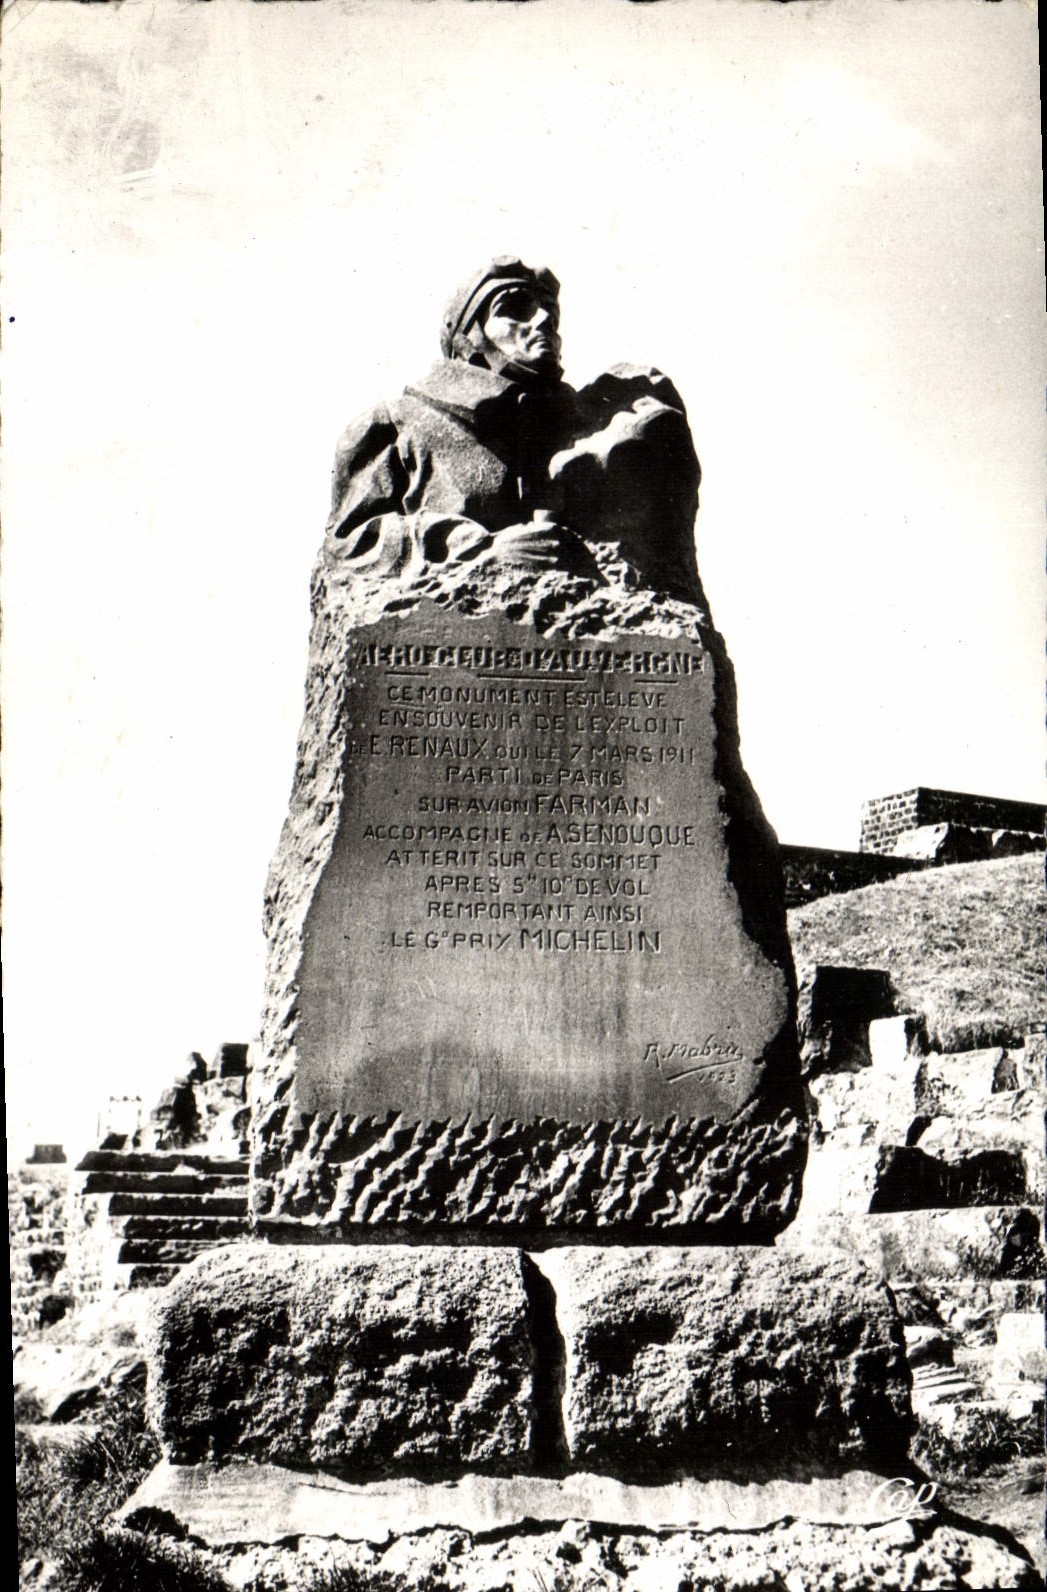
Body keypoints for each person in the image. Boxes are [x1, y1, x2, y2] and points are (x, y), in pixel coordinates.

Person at [325, 257, 702, 599]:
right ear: (469, 333)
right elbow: (348, 545)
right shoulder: (394, 427)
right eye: (516, 309)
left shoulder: (590, 425)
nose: (542, 322)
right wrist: (475, 548)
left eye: (550, 314)